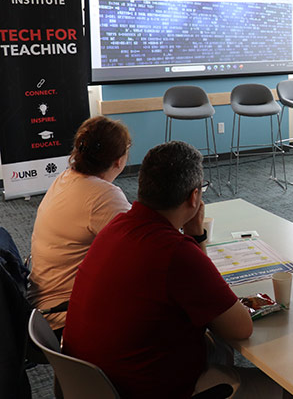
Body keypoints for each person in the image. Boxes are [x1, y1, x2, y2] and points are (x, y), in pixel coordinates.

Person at [63, 141, 279, 398]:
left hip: (90, 383)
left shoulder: (115, 226)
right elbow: (240, 328)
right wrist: (195, 236)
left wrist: (194, 236)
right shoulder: (175, 252)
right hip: (144, 389)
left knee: (215, 346)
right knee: (284, 389)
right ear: (194, 197)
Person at [28, 116, 132, 332]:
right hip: (65, 316)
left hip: (42, 308)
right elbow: (146, 247)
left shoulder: (66, 178)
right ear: (119, 161)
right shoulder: (102, 196)